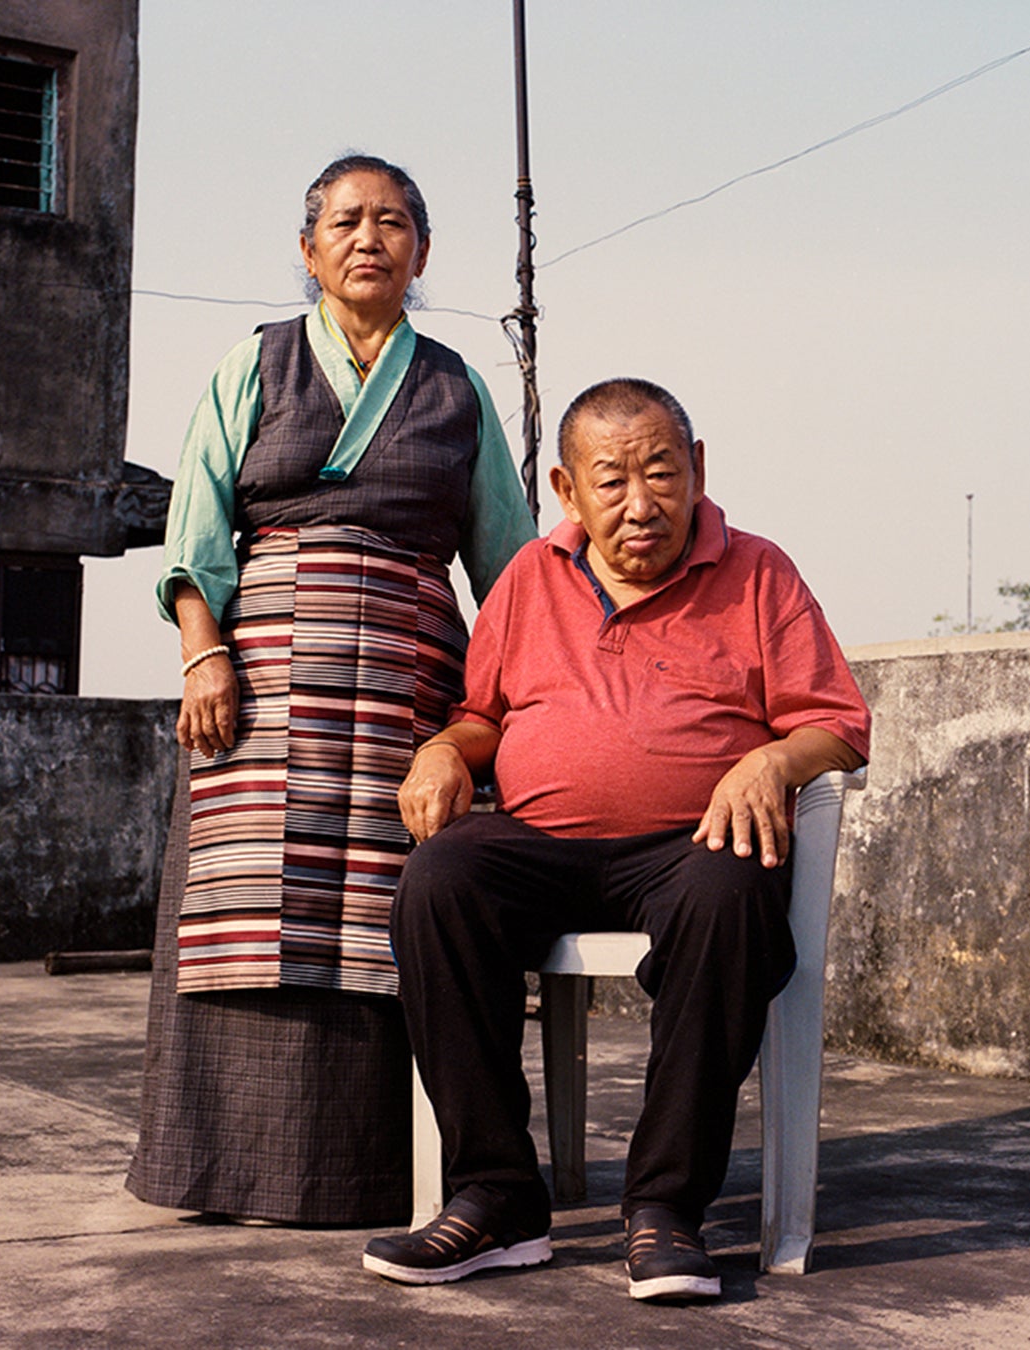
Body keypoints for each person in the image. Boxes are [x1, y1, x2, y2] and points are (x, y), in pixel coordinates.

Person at [360, 378, 869, 1301]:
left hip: (691, 845)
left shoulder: (758, 572)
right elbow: (484, 715)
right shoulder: (528, 579)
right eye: (613, 482)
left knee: (734, 896)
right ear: (566, 490)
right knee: (438, 882)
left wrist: (771, 764)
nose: (643, 505)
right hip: (540, 841)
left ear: (699, 469)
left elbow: (837, 724)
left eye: (664, 474)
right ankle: (498, 1196)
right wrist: (443, 748)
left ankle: (666, 1208)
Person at [127, 154, 539, 1227]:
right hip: (259, 683)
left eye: (394, 222)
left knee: (381, 920)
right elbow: (197, 525)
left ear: (423, 252)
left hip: (408, 688)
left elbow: (509, 565)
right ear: (307, 251)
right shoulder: (255, 364)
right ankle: (223, 1166)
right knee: (250, 911)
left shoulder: (456, 387)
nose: (370, 238)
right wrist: (202, 653)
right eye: (346, 221)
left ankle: (376, 1172)